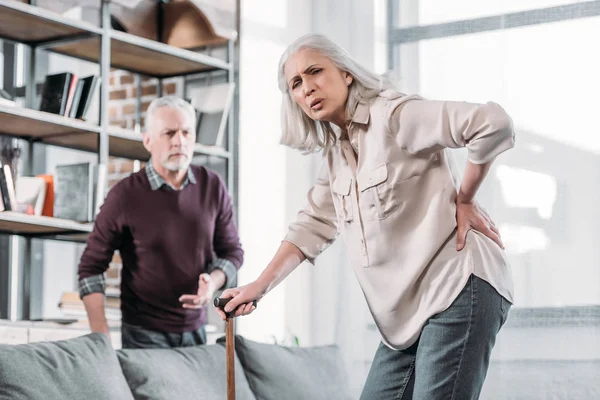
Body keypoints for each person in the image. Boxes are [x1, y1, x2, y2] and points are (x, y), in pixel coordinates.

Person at [215, 34, 515, 399]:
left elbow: (492, 123)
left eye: (315, 72)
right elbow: (311, 225)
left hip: (457, 285)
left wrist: (465, 197)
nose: (308, 87)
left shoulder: (395, 115)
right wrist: (256, 288)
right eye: (296, 83)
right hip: (405, 317)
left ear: (345, 74)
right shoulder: (337, 153)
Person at [78, 95, 243, 349]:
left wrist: (213, 283)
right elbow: (90, 268)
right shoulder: (124, 195)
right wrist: (101, 338)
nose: (179, 141)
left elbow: (232, 253)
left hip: (197, 332)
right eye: (169, 133)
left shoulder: (213, 186)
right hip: (143, 335)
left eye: (186, 132)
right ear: (148, 140)